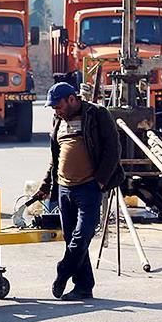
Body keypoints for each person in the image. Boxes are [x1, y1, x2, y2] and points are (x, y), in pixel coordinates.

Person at [33, 82, 124, 301]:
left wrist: (100, 182)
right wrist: (46, 185)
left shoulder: (96, 114)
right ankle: (83, 286)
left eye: (59, 105)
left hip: (89, 187)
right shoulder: (59, 121)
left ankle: (63, 270)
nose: (56, 110)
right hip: (64, 189)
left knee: (83, 235)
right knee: (71, 237)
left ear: (72, 99)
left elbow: (113, 148)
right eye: (54, 107)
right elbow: (55, 158)